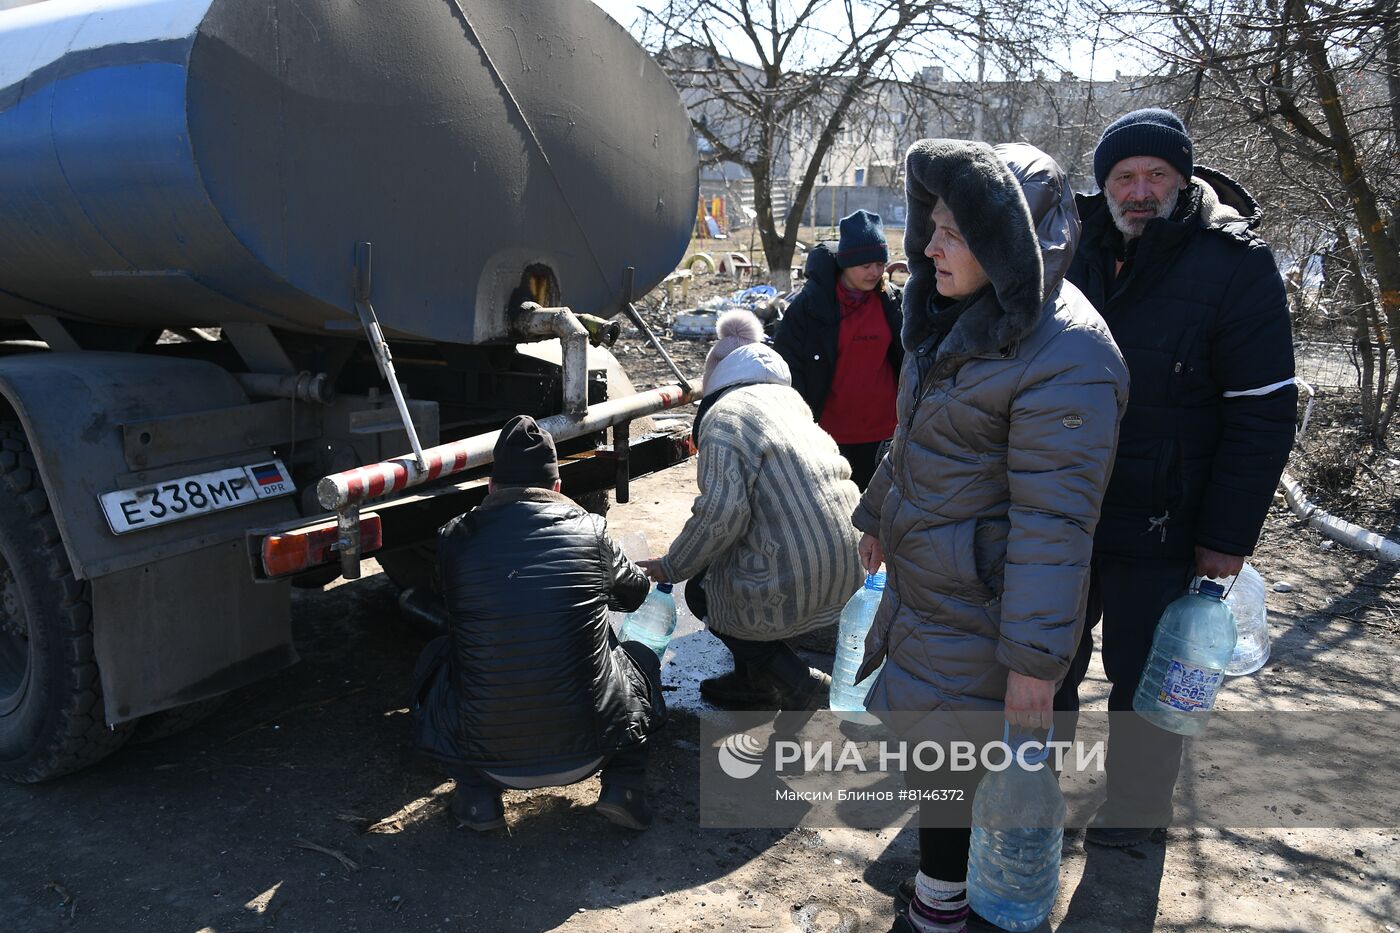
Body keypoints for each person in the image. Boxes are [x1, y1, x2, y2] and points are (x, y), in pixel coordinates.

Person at [850, 140, 1128, 933]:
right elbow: (915, 437)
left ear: (1013, 241)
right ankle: (945, 894)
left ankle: (952, 906)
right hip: (935, 583)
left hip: (987, 605)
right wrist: (878, 512)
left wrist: (1036, 666)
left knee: (956, 759)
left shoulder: (1068, 353)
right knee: (939, 753)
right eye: (930, 225)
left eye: (956, 231)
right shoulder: (951, 313)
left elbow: (1056, 523)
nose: (930, 247)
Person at [1053, 108, 1297, 848]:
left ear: (1183, 178)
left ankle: (1134, 813)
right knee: (1043, 660)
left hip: (1164, 520)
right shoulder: (1070, 246)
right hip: (1061, 508)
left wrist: (1226, 537)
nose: (1138, 190)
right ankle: (1028, 794)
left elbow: (1263, 414)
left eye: (1156, 174)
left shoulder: (1233, 263)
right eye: (1123, 176)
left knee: (1146, 676)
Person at [411, 415, 666, 832]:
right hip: (592, 751)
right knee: (637, 657)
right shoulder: (592, 531)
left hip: (491, 760)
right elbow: (634, 594)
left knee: (440, 658)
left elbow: (447, 598)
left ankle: (477, 798)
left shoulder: (455, 538)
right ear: (558, 487)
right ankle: (624, 787)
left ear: (491, 487)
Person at [638, 310, 863, 711]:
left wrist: (671, 565)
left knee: (701, 591)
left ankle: (796, 681)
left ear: (715, 380)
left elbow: (720, 513)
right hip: (849, 564)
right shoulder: (789, 402)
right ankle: (755, 679)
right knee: (723, 568)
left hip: (799, 572)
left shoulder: (725, 419)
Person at [774, 209, 903, 490]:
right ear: (845, 263)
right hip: (829, 435)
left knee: (877, 521)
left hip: (885, 434)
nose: (875, 272)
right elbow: (787, 366)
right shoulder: (810, 308)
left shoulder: (892, 302)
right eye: (865, 265)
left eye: (880, 263)